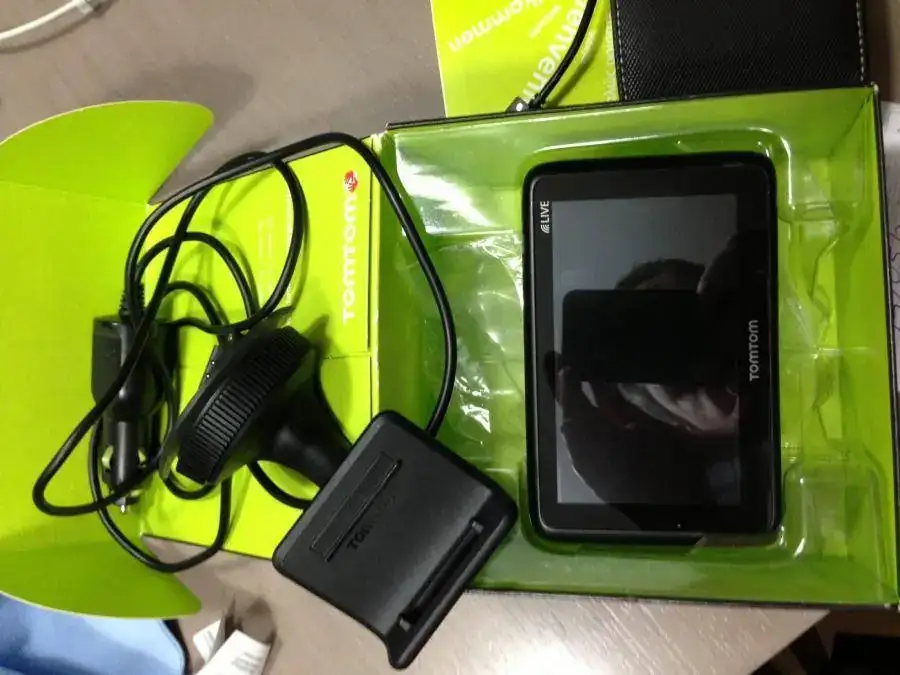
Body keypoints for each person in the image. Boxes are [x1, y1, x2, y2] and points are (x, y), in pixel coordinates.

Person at [555, 237, 741, 507]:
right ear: (666, 423)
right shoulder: (738, 496)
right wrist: (624, 485)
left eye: (673, 312)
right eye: (646, 351)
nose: (675, 340)